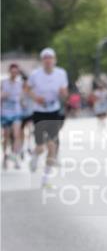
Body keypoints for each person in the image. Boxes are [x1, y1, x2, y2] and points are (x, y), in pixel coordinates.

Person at [27, 47, 69, 186]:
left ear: (54, 60)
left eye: (50, 58)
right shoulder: (35, 74)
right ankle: (34, 155)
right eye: (45, 58)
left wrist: (63, 93)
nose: (48, 61)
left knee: (51, 145)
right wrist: (35, 98)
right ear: (42, 61)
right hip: (39, 111)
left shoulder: (61, 73)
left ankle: (45, 178)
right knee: (40, 147)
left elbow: (64, 93)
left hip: (54, 111)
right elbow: (27, 89)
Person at [1, 63, 25, 168]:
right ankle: (5, 156)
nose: (14, 73)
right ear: (9, 71)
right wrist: (2, 96)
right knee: (6, 136)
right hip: (5, 113)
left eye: (16, 72)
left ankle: (15, 157)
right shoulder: (3, 83)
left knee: (16, 135)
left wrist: (23, 104)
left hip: (16, 113)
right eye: (13, 71)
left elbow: (22, 98)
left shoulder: (20, 84)